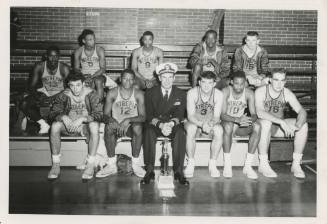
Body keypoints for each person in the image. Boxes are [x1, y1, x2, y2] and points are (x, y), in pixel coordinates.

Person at [47, 71, 103, 180]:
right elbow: (52, 113)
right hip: (69, 125)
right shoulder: (64, 95)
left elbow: (99, 115)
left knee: (95, 126)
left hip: (84, 126)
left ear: (83, 84)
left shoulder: (91, 94)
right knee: (54, 126)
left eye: (78, 85)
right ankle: (56, 165)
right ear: (68, 85)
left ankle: (90, 165)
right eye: (72, 85)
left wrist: (83, 119)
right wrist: (63, 117)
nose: (75, 89)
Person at [255, 68, 308, 178]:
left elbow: (302, 111)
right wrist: (281, 122)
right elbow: (260, 113)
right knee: (266, 123)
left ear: (285, 81)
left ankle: (296, 164)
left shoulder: (286, 93)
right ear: (270, 80)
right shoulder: (260, 91)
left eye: (282, 80)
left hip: (277, 127)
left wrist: (297, 126)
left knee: (304, 125)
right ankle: (263, 164)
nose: (279, 84)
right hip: (259, 128)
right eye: (276, 80)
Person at [141, 63, 189, 185]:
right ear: (159, 78)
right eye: (164, 77)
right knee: (148, 132)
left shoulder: (181, 93)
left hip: (172, 124)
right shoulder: (150, 93)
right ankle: (149, 170)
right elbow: (149, 115)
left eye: (170, 77)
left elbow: (180, 115)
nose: (167, 80)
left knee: (180, 133)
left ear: (174, 78)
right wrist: (161, 125)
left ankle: (179, 171)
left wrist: (170, 124)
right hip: (156, 124)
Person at [95, 69, 146, 178]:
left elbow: (143, 117)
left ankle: (136, 164)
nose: (128, 82)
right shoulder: (112, 92)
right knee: (109, 127)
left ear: (134, 81)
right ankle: (111, 164)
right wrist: (112, 120)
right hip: (116, 126)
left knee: (138, 127)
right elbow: (104, 115)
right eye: (125, 79)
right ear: (120, 79)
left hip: (130, 127)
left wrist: (128, 120)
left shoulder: (138, 94)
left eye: (131, 79)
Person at [19, 46, 70, 134]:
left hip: (60, 95)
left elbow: (69, 87)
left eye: (56, 56)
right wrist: (38, 95)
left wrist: (54, 97)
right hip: (45, 94)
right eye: (51, 56)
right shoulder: (39, 66)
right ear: (46, 56)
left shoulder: (64, 68)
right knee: (24, 103)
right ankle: (43, 124)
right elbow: (32, 86)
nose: (53, 59)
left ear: (59, 56)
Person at [221, 71, 261, 179]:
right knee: (229, 126)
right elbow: (222, 115)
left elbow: (254, 114)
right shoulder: (225, 91)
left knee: (257, 126)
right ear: (231, 82)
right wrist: (237, 119)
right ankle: (227, 164)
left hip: (239, 123)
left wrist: (247, 120)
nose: (239, 86)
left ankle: (248, 166)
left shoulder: (249, 93)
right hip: (226, 123)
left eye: (242, 83)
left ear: (245, 83)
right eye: (236, 83)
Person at [184, 71, 223, 178]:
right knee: (191, 128)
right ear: (199, 82)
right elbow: (190, 116)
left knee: (219, 131)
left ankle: (212, 164)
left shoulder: (218, 94)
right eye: (204, 82)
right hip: (195, 122)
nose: (206, 85)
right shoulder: (192, 92)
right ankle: (191, 162)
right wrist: (202, 125)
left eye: (210, 83)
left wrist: (209, 124)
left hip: (210, 123)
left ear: (214, 84)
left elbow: (216, 117)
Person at [74, 29, 107, 99]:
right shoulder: (78, 51)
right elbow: (76, 69)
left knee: (98, 81)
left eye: (94, 39)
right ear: (84, 41)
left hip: (98, 75)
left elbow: (103, 69)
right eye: (90, 39)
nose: (93, 41)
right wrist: (83, 77)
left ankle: (99, 105)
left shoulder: (99, 50)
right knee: (76, 82)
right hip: (84, 75)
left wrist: (91, 77)